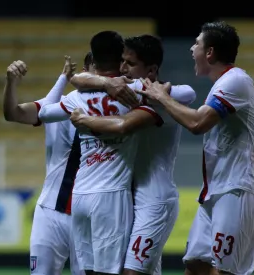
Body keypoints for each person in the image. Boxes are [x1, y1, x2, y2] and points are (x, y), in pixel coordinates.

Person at [138, 21, 254, 275]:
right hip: (215, 192)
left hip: (235, 190)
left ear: (210, 52)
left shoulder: (236, 81)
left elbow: (197, 123)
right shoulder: (224, 83)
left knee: (226, 271)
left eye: (196, 43)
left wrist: (162, 97)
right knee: (195, 265)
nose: (191, 48)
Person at [38, 31, 163, 275]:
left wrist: (92, 83)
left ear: (93, 58)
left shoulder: (77, 97)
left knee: (88, 271)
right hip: (110, 195)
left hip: (80, 195)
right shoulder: (135, 90)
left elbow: (43, 114)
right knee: (109, 270)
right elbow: (181, 94)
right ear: (121, 59)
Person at [69, 34, 195, 275]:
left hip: (155, 199)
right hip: (129, 197)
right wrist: (105, 83)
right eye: (122, 61)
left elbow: (187, 92)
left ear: (152, 69)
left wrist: (85, 119)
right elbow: (76, 79)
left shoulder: (161, 98)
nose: (122, 68)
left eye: (130, 63)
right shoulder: (127, 92)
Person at [3, 55, 85, 275]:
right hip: (51, 212)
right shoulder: (59, 107)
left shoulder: (118, 110)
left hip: (91, 215)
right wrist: (12, 83)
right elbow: (13, 113)